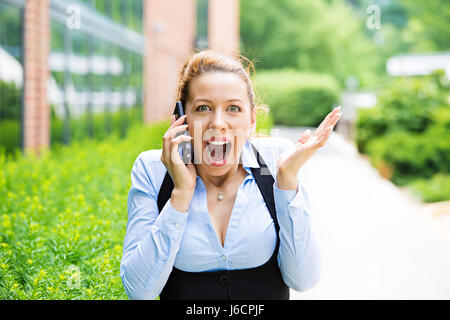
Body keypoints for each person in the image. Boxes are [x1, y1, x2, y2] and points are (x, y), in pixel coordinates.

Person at [120, 49, 342, 300]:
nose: (218, 123)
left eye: (233, 109)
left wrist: (288, 182)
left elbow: (303, 279)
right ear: (181, 118)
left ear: (252, 120)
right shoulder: (153, 169)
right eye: (203, 107)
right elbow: (139, 291)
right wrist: (180, 194)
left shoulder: (275, 160)